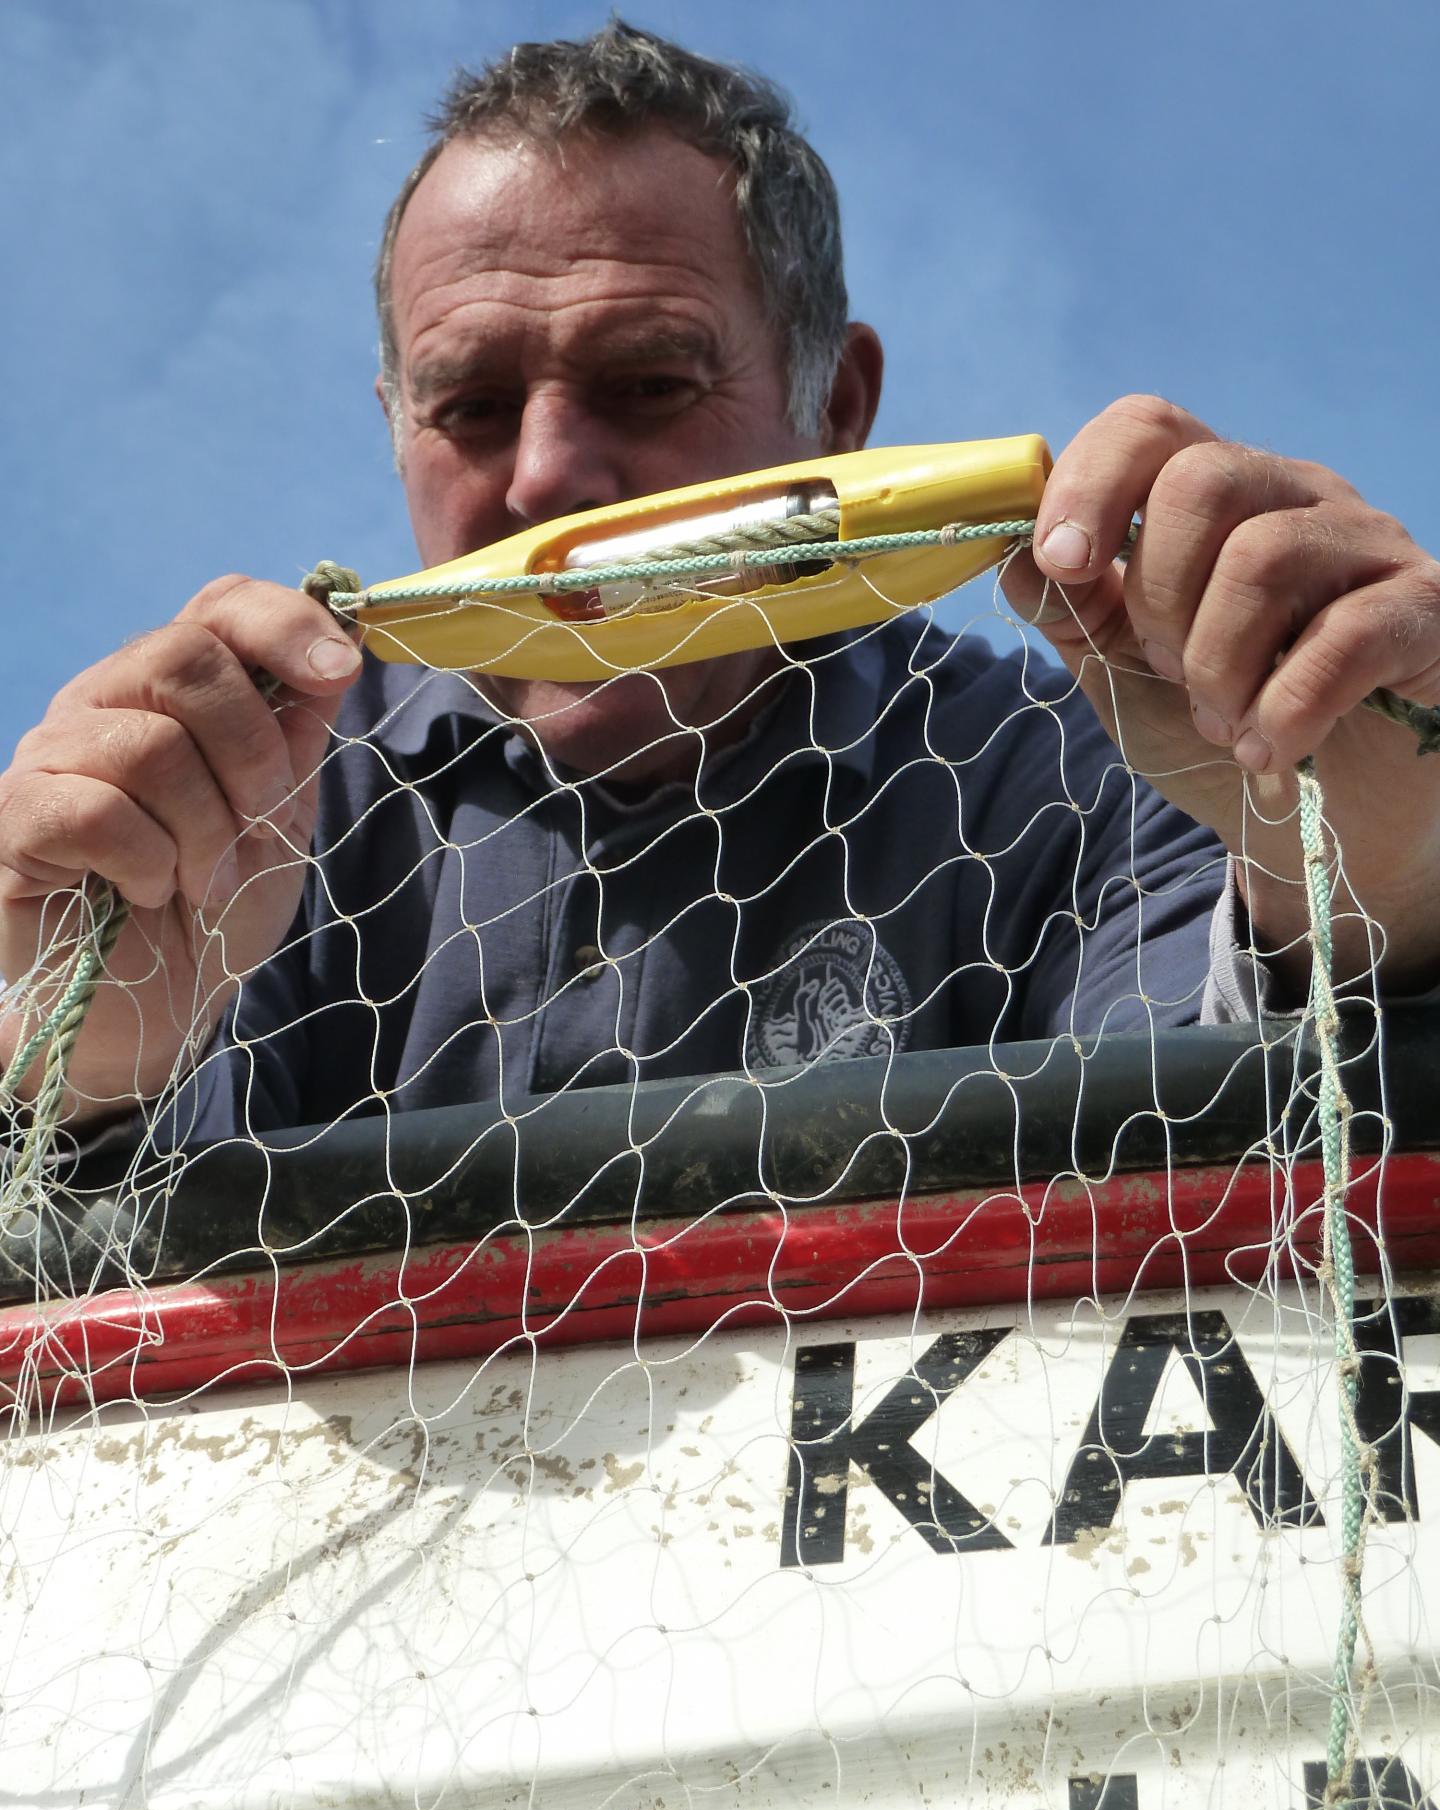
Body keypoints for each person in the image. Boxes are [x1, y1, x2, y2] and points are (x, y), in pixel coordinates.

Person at [1, 22, 1438, 1141]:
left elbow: (1233, 1174)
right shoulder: (253, 813)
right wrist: (80, 1068)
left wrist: (1379, 886)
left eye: (647, 381)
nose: (551, 475)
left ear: (838, 407)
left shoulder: (1092, 769)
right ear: (391, 420)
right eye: (471, 407)